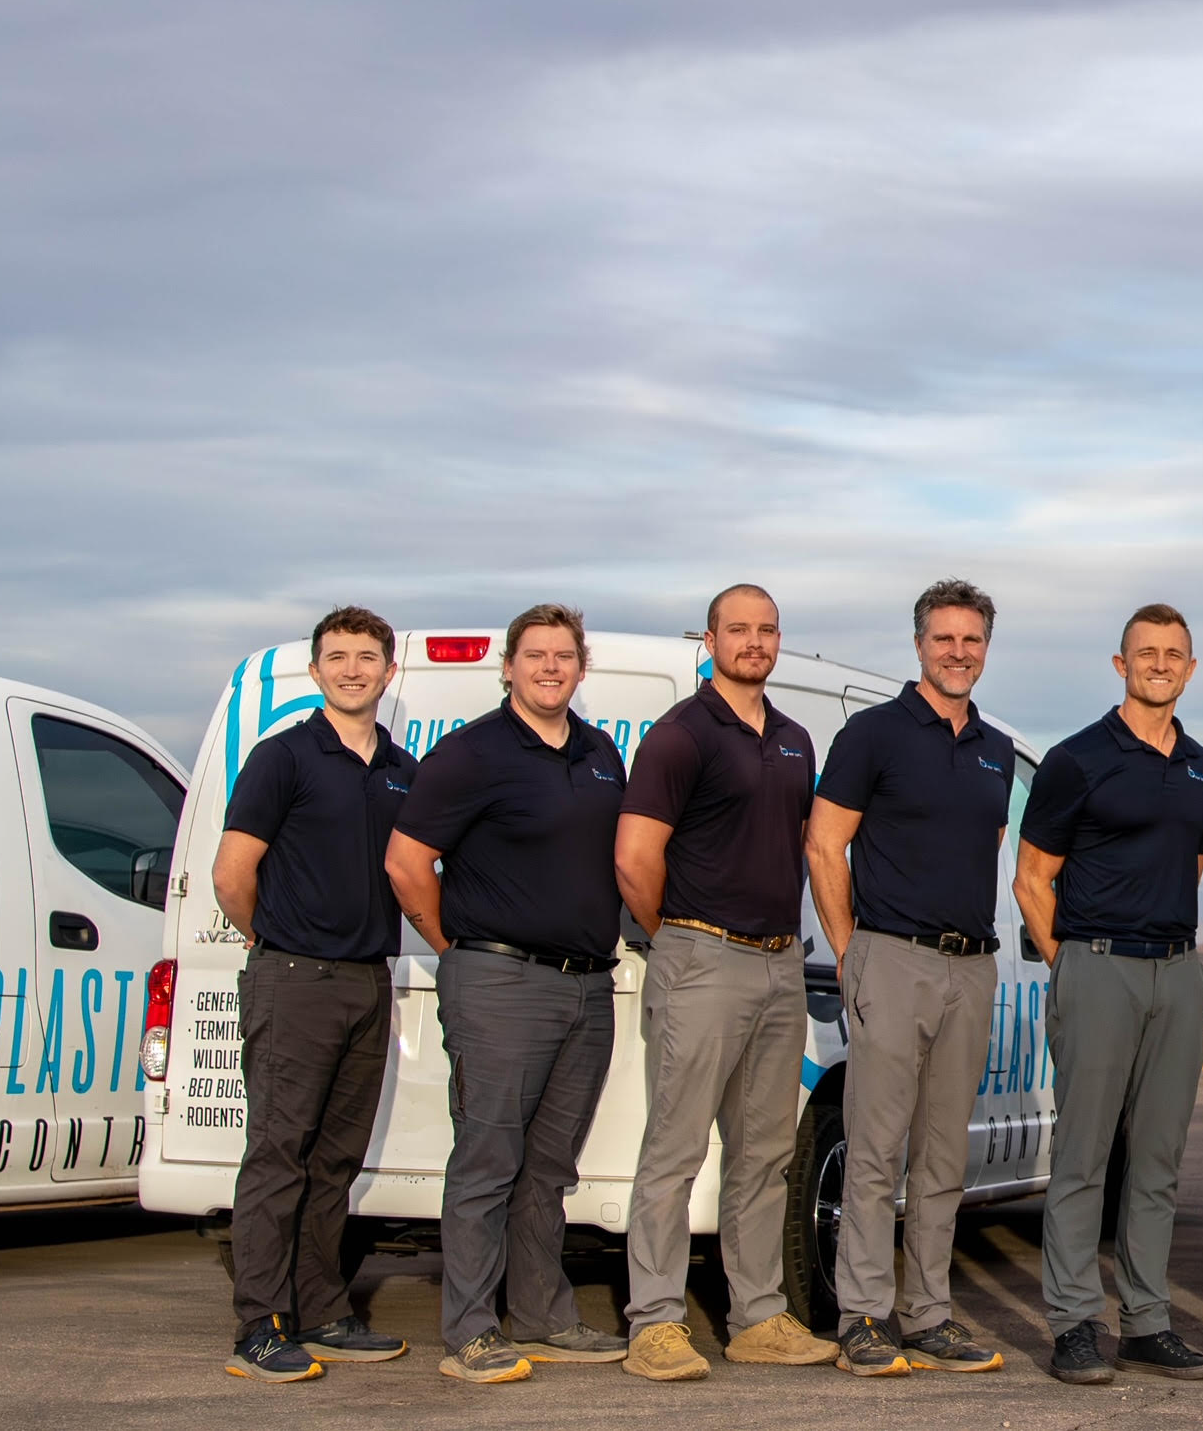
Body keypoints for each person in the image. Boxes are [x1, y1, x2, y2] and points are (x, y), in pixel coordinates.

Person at [386, 604, 633, 1385]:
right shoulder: (472, 753)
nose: (550, 667)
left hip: (587, 987)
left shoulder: (601, 754)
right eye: (535, 655)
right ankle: (471, 1331)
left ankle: (542, 1316)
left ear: (581, 667)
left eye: (563, 655)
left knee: (549, 1167)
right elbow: (405, 863)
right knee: (488, 1160)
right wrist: (456, 950)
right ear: (509, 667)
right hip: (498, 981)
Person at [615, 585, 838, 1380]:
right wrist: (679, 936)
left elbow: (804, 846)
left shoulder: (794, 739)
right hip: (700, 956)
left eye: (766, 629)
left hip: (780, 963)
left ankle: (758, 1317)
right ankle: (654, 1323)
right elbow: (634, 859)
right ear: (708, 642)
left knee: (765, 1153)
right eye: (737, 629)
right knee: (675, 1150)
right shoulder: (681, 735)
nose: (754, 641)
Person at [805, 579, 1016, 1378]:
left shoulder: (995, 747)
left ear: (986, 648)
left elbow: (986, 845)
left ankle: (929, 1314)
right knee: (875, 1147)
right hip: (892, 958)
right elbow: (824, 845)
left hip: (972, 965)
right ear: (920, 644)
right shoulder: (873, 735)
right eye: (944, 638)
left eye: (972, 639)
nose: (958, 652)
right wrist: (852, 950)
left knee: (942, 1155)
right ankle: (864, 1314)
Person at [1015, 604, 1203, 1386]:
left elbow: (1191, 866)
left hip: (1176, 972)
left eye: (1174, 653)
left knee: (1159, 1160)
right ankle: (1075, 1322)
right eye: (1147, 652)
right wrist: (1073, 964)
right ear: (1121, 664)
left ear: (1191, 669)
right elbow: (1031, 879)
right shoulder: (1076, 760)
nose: (1160, 664)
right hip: (1097, 965)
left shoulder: (1202, 765)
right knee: (1086, 1155)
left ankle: (1146, 1322)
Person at [212, 605, 416, 1383]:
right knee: (279, 1155)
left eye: (366, 657)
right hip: (294, 979)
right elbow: (233, 875)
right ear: (315, 670)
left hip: (368, 980)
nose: (352, 670)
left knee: (335, 1160)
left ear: (389, 671)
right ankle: (259, 1326)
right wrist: (279, 939)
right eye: (337, 657)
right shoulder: (283, 757)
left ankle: (322, 1311)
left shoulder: (400, 768)